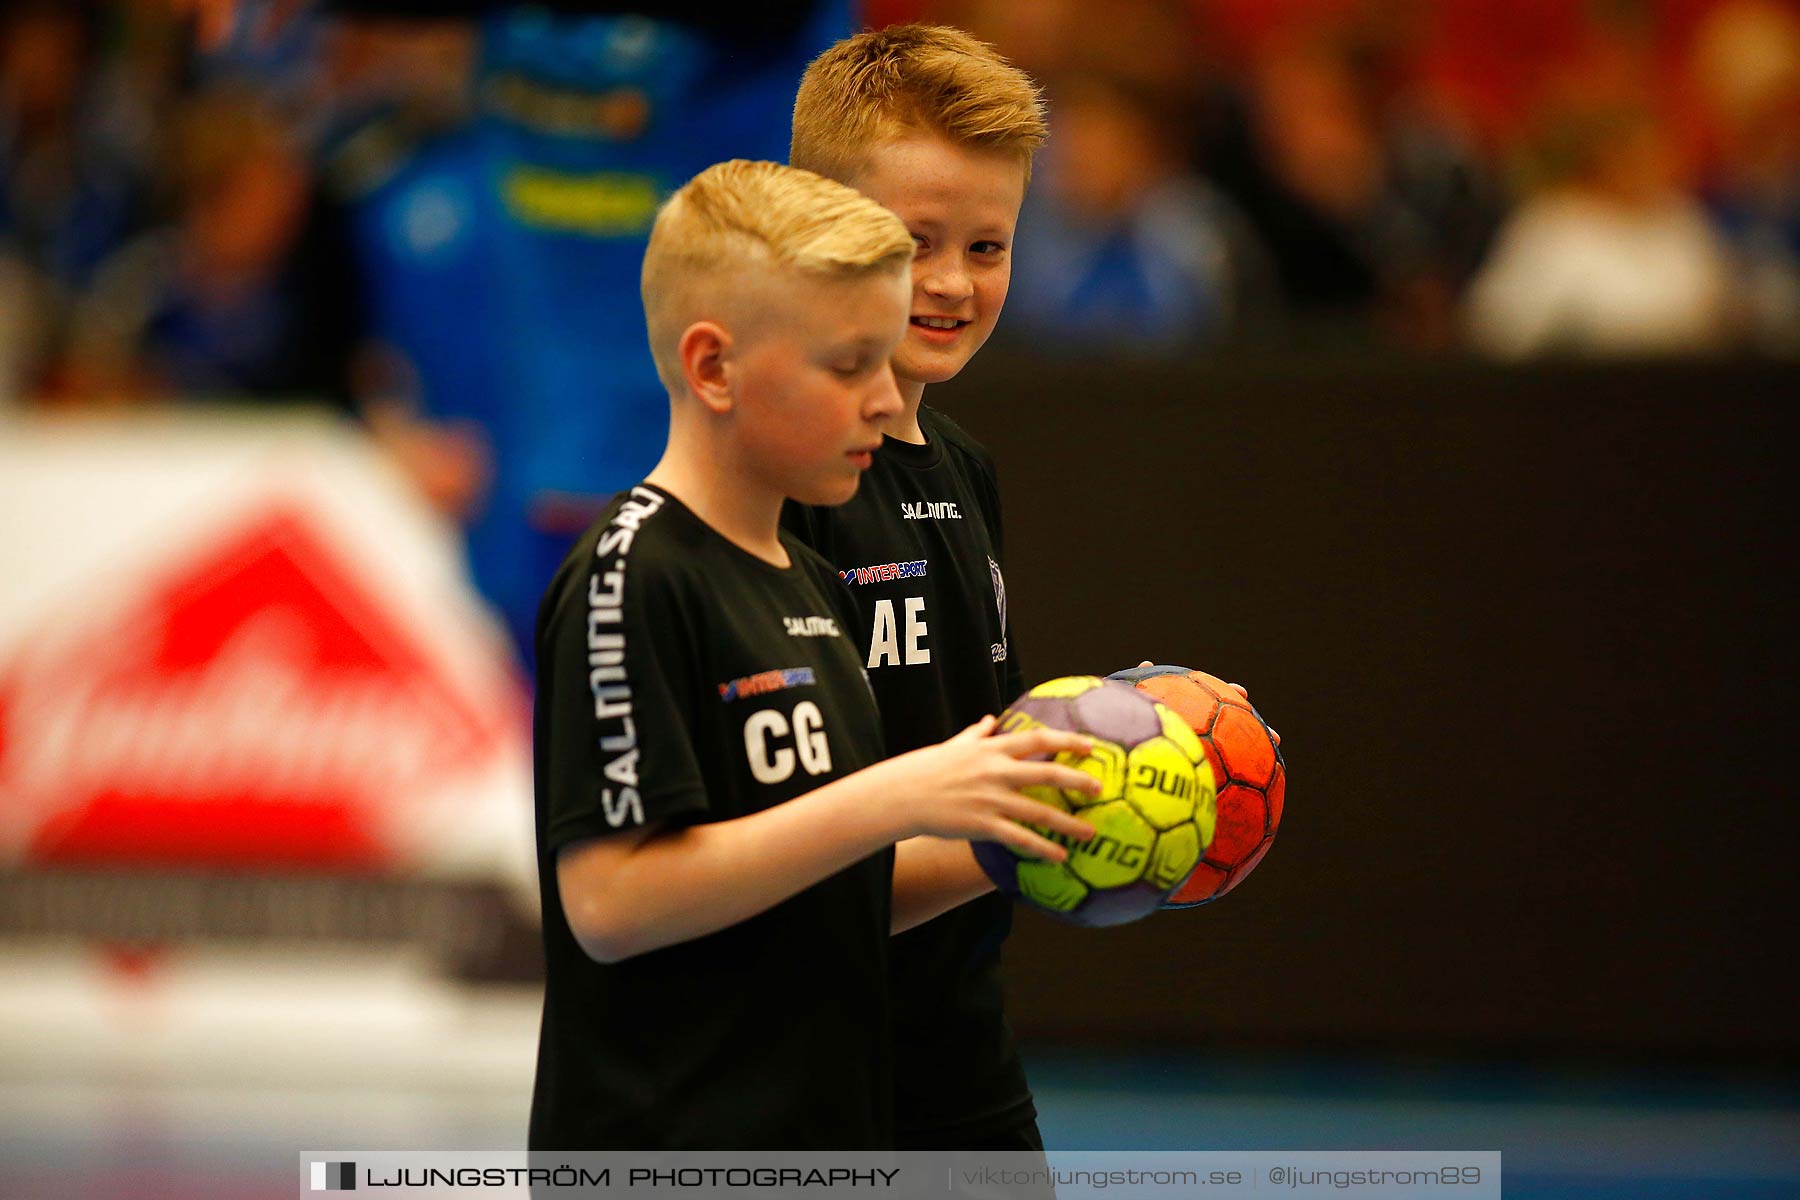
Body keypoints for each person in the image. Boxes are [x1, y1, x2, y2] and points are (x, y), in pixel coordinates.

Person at [528, 159, 1100, 1150]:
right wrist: (900, 793)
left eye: (887, 362)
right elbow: (611, 901)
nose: (887, 402)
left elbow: (830, 894)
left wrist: (1042, 822)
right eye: (849, 367)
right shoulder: (634, 572)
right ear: (714, 368)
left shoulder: (801, 576)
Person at [782, 24, 1055, 1153]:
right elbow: (781, 877)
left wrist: (1120, 751)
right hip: (792, 1072)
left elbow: (981, 741)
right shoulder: (768, 483)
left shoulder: (961, 465)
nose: (950, 283)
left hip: (959, 1053)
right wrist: (1033, 837)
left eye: (987, 246)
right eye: (912, 241)